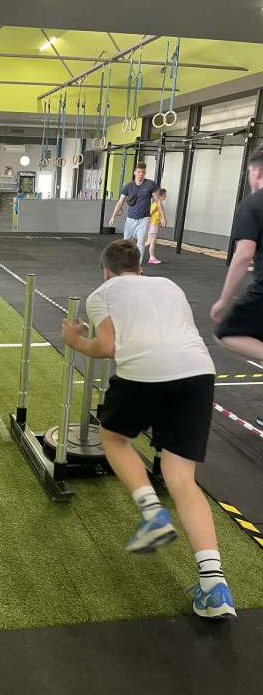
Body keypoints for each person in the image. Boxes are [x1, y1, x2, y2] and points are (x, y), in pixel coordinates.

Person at [61, 238, 236, 620]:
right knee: (181, 477)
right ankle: (214, 585)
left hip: (144, 373)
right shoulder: (170, 285)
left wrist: (75, 341)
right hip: (197, 373)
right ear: (140, 267)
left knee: (113, 438)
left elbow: (107, 347)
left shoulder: (103, 293)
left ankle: (152, 511)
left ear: (106, 271)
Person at [211, 148, 263, 426]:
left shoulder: (253, 204)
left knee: (226, 333)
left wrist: (223, 299)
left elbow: (243, 255)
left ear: (256, 171)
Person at [109, 162, 166, 264]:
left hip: (144, 219)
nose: (141, 174)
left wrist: (163, 217)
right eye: (139, 172)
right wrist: (113, 216)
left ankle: (137, 264)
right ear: (135, 172)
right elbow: (120, 201)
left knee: (141, 242)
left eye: (143, 172)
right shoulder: (128, 186)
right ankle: (124, 261)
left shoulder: (150, 184)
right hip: (131, 219)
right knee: (126, 241)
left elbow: (158, 201)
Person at [145, 188, 167, 265]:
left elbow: (156, 214)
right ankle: (152, 258)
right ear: (160, 196)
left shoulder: (156, 203)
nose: (166, 196)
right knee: (153, 241)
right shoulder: (158, 203)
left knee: (149, 242)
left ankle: (135, 251)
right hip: (153, 224)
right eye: (165, 195)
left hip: (154, 224)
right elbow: (150, 213)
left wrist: (159, 223)